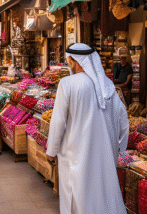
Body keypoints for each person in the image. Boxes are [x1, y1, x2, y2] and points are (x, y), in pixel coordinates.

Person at [46, 43, 128, 214]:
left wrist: (51, 150)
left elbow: (58, 121)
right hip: (104, 154)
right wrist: (119, 146)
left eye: (69, 60)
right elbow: (122, 119)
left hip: (76, 153)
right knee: (101, 195)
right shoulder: (107, 86)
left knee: (78, 195)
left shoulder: (67, 84)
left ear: (72, 60)